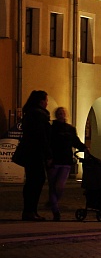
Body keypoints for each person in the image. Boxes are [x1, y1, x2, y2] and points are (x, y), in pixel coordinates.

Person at [47, 106, 86, 221]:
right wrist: (48, 157)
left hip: (65, 161)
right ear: (56, 115)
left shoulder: (70, 129)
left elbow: (76, 141)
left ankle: (53, 201)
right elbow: (48, 143)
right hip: (54, 160)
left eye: (62, 113)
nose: (61, 115)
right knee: (52, 186)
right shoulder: (52, 128)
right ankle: (55, 211)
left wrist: (84, 148)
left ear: (65, 115)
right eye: (59, 113)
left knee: (60, 186)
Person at [18, 90, 51, 221]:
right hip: (35, 153)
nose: (47, 103)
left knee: (33, 181)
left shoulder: (31, 113)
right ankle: (30, 211)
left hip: (30, 152)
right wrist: (48, 154)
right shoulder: (38, 115)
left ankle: (30, 210)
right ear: (41, 102)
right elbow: (42, 136)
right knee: (36, 181)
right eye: (46, 101)